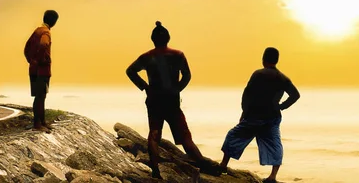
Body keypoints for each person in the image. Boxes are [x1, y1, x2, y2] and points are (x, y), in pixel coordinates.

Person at [126, 21, 208, 179]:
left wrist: (145, 87)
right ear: (168, 38)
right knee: (185, 137)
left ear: (153, 39)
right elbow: (187, 76)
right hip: (172, 101)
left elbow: (130, 71)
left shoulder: (147, 56)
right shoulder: (177, 55)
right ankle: (202, 165)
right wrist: (177, 89)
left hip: (154, 100)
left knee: (154, 134)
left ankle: (155, 170)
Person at [219, 47, 300, 183]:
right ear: (276, 60)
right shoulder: (282, 77)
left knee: (233, 136)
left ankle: (223, 165)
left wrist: (244, 112)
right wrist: (281, 106)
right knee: (275, 144)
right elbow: (295, 95)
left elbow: (248, 94)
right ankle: (273, 176)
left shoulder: (258, 74)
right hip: (273, 116)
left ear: (263, 59)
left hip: (255, 115)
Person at [24, 10, 59, 133]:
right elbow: (44, 44)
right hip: (42, 71)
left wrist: (31, 60)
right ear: (54, 22)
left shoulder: (37, 31)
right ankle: (37, 124)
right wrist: (40, 60)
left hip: (34, 69)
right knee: (40, 97)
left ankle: (42, 121)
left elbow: (26, 48)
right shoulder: (46, 32)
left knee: (40, 96)